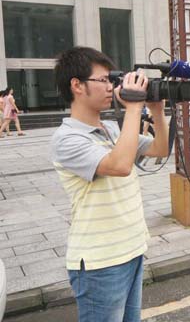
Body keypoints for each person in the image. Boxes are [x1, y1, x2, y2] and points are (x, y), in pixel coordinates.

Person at [50, 47, 169, 322]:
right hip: (100, 263)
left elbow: (160, 149)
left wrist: (156, 111)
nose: (110, 87)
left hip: (131, 249)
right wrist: (133, 107)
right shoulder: (66, 139)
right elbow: (120, 166)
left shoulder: (112, 129)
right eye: (103, 80)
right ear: (77, 86)